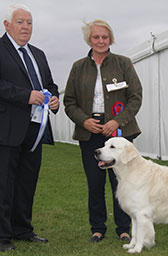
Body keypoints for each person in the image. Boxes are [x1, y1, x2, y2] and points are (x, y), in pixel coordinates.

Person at [63, 19, 142, 242]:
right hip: (90, 131)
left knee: (123, 183)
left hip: (119, 132)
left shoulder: (123, 63)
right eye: (96, 37)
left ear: (111, 39)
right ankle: (97, 228)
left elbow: (135, 97)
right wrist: (84, 121)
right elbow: (69, 101)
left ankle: (124, 228)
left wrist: (117, 122)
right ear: (89, 39)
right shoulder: (78, 67)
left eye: (104, 37)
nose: (100, 41)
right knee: (95, 183)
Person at [0, 4, 60, 252]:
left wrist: (54, 100)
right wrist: (26, 95)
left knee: (27, 182)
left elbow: (49, 84)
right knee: (4, 184)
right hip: (6, 130)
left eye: (29, 22)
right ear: (7, 25)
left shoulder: (38, 54)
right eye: (20, 22)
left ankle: (22, 229)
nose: (25, 27)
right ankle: (2, 236)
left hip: (35, 131)